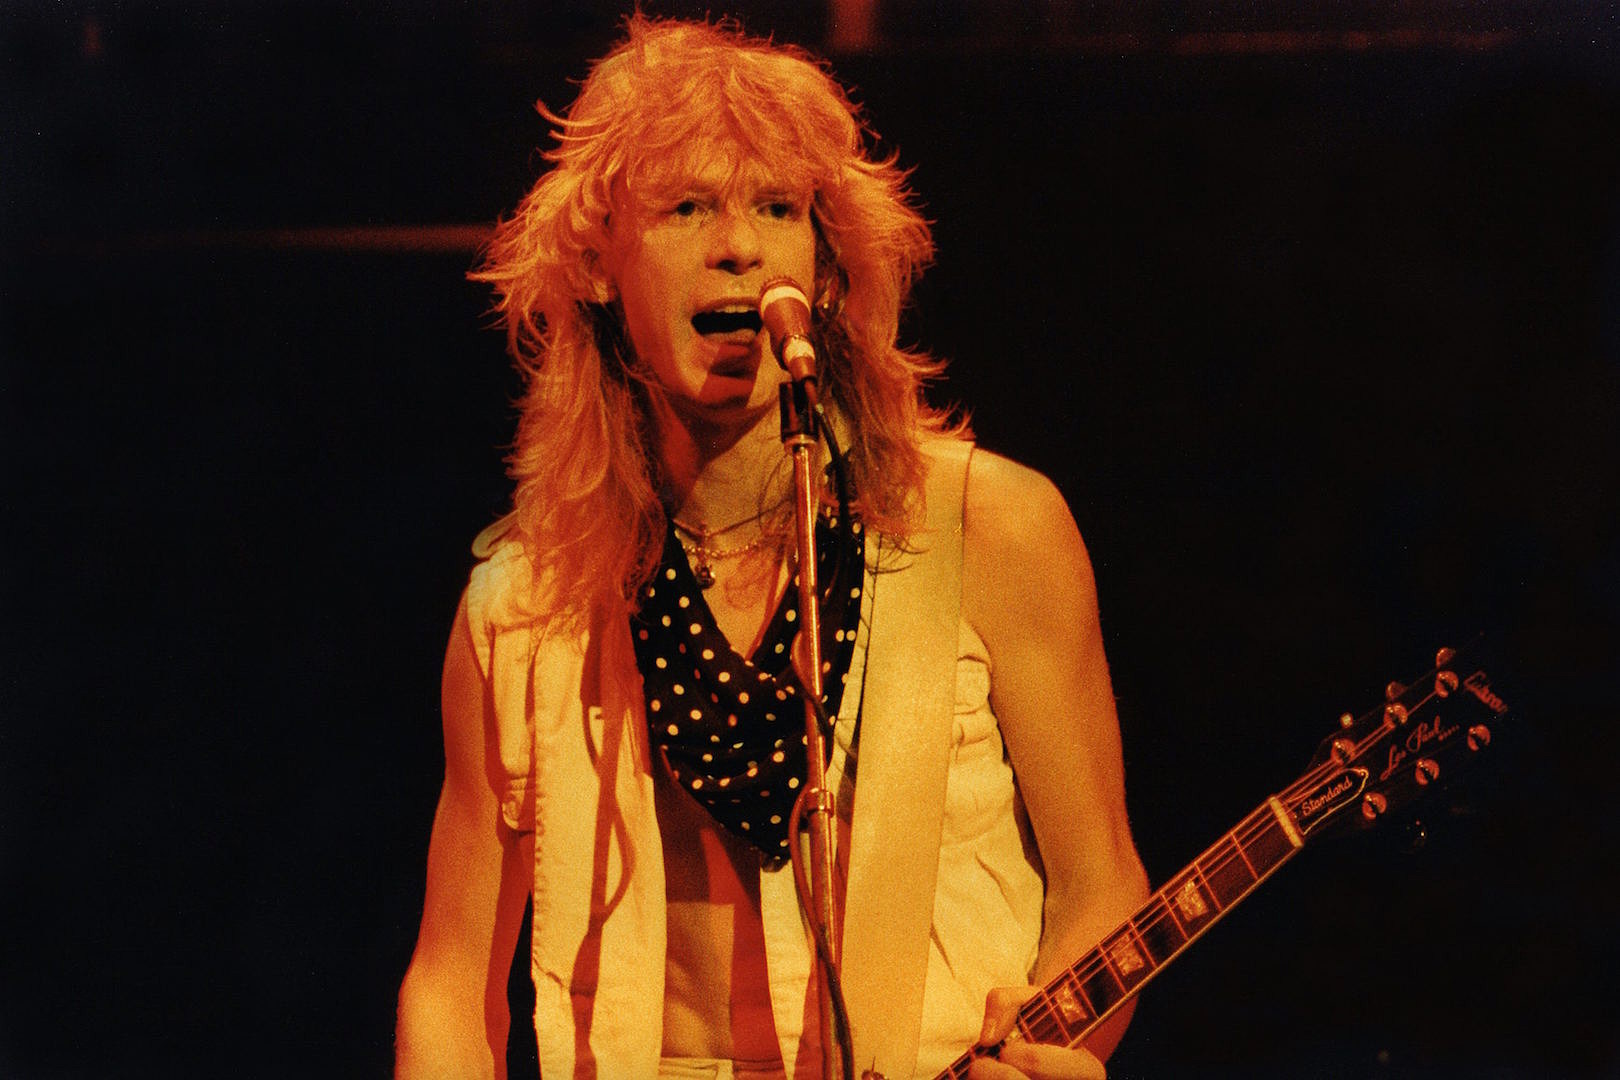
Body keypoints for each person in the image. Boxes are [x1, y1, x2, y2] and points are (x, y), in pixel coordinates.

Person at [396, 15, 1148, 1080]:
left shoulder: (993, 530)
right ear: (599, 264)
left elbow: (1100, 886)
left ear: (826, 270)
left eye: (778, 208)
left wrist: (1046, 1048)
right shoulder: (524, 604)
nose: (739, 245)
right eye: (687, 207)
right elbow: (449, 979)